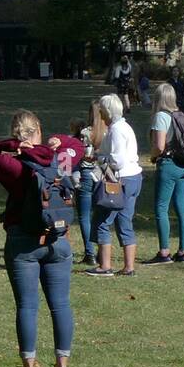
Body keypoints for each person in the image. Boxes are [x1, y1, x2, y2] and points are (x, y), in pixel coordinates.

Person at [0, 110, 81, 367]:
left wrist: (10, 147)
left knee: (27, 306)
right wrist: (58, 141)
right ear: (39, 130)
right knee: (60, 305)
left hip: (23, 241)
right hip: (59, 240)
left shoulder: (14, 167)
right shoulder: (61, 160)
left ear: (16, 135)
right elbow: (79, 146)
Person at [88, 93, 143, 277]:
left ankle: (105, 266)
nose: (100, 114)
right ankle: (129, 267)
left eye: (102, 111)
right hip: (134, 177)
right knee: (124, 221)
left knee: (102, 221)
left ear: (108, 111)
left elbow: (117, 161)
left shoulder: (116, 130)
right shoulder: (125, 127)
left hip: (121, 181)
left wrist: (99, 157)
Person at [144, 81, 184, 264]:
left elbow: (159, 146)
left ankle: (164, 252)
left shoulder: (161, 117)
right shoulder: (180, 115)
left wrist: (153, 157)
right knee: (182, 208)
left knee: (161, 208)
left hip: (169, 164)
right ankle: (183, 251)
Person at [68, 106, 102, 265]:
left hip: (86, 175)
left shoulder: (86, 134)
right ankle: (103, 251)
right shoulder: (108, 132)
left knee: (84, 215)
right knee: (101, 215)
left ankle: (90, 253)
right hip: (102, 175)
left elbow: (78, 156)